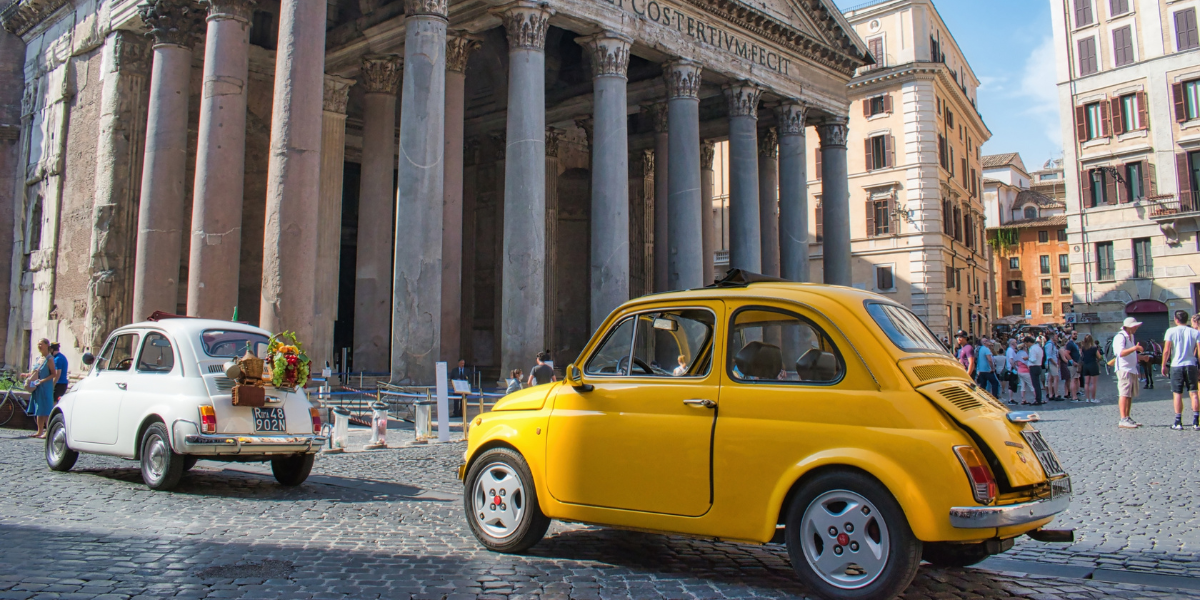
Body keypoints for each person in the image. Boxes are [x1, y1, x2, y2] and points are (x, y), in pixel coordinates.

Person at [1163, 310, 1200, 430]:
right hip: (1191, 364)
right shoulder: (1195, 332)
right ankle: (1196, 421)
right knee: (1194, 392)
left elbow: (1167, 350)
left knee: (1177, 393)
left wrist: (1163, 365)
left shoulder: (1170, 331)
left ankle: (1178, 422)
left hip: (1176, 365)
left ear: (1176, 319)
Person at [1113, 317, 1144, 428]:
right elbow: (1120, 353)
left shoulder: (1131, 337)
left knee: (1129, 394)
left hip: (1131, 368)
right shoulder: (1120, 337)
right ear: (1129, 327)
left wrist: (1141, 357)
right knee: (1124, 393)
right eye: (1135, 326)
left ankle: (1128, 416)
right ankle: (1123, 418)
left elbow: (1131, 353)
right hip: (1124, 369)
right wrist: (1135, 348)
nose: (1136, 328)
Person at [25, 338, 58, 438]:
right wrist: (27, 375)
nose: (39, 346)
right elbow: (35, 372)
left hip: (45, 387)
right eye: (38, 344)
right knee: (39, 409)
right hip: (37, 387)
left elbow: (54, 374)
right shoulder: (38, 358)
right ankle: (39, 431)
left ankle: (48, 431)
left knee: (46, 409)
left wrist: (42, 381)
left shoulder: (50, 359)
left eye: (41, 344)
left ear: (47, 345)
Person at [1080, 334, 1102, 403]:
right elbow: (1099, 357)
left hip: (1085, 365)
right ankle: (1093, 398)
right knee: (1093, 383)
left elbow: (1081, 356)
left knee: (1086, 383)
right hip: (1093, 365)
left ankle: (1087, 398)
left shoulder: (1083, 348)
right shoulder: (1094, 348)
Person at [1026, 335, 1045, 405]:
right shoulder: (1039, 348)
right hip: (1039, 366)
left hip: (1034, 367)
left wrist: (1027, 358)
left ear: (1028, 342)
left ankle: (1037, 399)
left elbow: (1033, 359)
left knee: (1035, 384)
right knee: (1037, 384)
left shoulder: (1032, 349)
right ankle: (1039, 398)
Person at [1066, 332, 1083, 399]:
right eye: (1074, 334)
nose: (1076, 335)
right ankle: (1074, 396)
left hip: (1076, 364)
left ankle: (1075, 395)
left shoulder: (1074, 344)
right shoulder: (1070, 344)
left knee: (1076, 379)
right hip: (1073, 365)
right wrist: (1072, 361)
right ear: (1070, 335)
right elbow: (1066, 353)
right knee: (1073, 380)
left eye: (1076, 334)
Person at [1043, 334, 1060, 401]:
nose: (1057, 338)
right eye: (1056, 337)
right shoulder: (1050, 344)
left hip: (1051, 363)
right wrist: (1055, 364)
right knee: (1056, 378)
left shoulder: (1052, 344)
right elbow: (1049, 356)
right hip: (1052, 363)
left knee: (1050, 378)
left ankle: (1051, 394)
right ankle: (1056, 394)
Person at [1004, 338, 1021, 404]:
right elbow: (1011, 360)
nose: (1016, 343)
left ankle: (1011, 398)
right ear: (1012, 343)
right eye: (1015, 342)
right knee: (1011, 383)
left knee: (1013, 384)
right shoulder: (1010, 350)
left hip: (1012, 368)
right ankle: (1010, 399)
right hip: (1012, 369)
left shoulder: (1012, 350)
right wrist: (1015, 367)